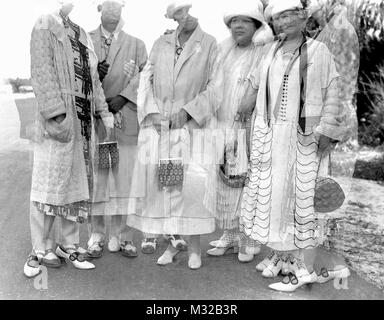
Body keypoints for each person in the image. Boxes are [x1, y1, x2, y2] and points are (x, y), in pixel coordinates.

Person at [239, 0, 344, 291]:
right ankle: (281, 255)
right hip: (270, 134)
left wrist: (326, 130)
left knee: (300, 195)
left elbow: (333, 91)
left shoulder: (319, 51)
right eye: (278, 17)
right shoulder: (270, 50)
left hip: (303, 133)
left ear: (302, 17)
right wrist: (242, 111)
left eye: (289, 15)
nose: (283, 22)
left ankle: (303, 266)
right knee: (274, 194)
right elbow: (257, 87)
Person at [127, 1, 222, 270]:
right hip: (159, 128)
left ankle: (194, 249)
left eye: (185, 11)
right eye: (176, 14)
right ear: (171, 17)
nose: (182, 17)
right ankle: (171, 243)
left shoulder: (210, 43)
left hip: (190, 128)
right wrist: (152, 113)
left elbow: (217, 88)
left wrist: (189, 112)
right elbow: (145, 80)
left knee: (190, 188)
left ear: (192, 11)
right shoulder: (161, 43)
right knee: (165, 187)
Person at [25, 0, 114, 277]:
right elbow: (41, 71)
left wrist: (103, 112)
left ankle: (68, 244)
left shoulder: (82, 33)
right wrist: (55, 114)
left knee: (76, 184)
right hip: (59, 118)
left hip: (83, 120)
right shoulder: (44, 22)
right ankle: (40, 248)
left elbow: (94, 82)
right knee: (49, 183)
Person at [204, 2, 273, 263]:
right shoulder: (224, 50)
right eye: (234, 21)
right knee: (225, 178)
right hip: (222, 124)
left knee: (247, 181)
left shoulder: (264, 50)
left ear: (256, 26)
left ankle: (248, 238)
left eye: (245, 21)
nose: (238, 26)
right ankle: (230, 234)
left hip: (251, 125)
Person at [86, 0, 148, 259]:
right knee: (100, 178)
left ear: (123, 9)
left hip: (126, 117)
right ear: (99, 8)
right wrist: (95, 77)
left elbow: (145, 76)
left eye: (117, 5)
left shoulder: (136, 43)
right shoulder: (85, 39)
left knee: (124, 179)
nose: (113, 10)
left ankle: (123, 234)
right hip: (98, 120)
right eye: (107, 5)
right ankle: (97, 232)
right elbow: (76, 76)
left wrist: (124, 97)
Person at [304, 0, 360, 285]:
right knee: (319, 203)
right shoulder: (328, 30)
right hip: (325, 129)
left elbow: (342, 87)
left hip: (332, 134)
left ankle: (329, 268)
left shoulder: (340, 30)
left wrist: (328, 132)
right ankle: (320, 267)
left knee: (325, 202)